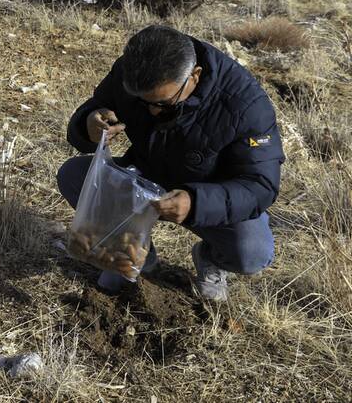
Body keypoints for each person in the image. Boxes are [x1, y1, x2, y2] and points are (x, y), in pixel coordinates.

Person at [57, 25, 285, 301]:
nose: (153, 110)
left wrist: (195, 202)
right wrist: (88, 125)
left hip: (208, 192)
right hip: (146, 175)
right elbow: (96, 107)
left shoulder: (246, 104)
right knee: (73, 176)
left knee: (252, 253)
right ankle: (134, 250)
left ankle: (211, 259)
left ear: (195, 76)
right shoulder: (132, 69)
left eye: (164, 104)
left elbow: (260, 185)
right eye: (142, 101)